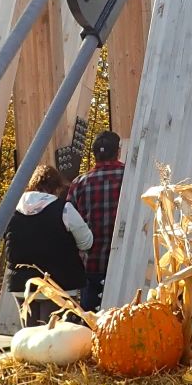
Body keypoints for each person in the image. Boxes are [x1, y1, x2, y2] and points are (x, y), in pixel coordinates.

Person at [2, 165, 93, 320]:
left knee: (29, 338)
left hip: (21, 284)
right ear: (56, 187)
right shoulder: (64, 209)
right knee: (51, 336)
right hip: (59, 283)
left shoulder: (11, 210)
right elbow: (87, 242)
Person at [69, 130, 124, 313]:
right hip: (124, 261)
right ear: (118, 151)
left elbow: (68, 224)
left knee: (90, 321)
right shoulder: (130, 178)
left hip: (91, 263)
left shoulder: (79, 183)